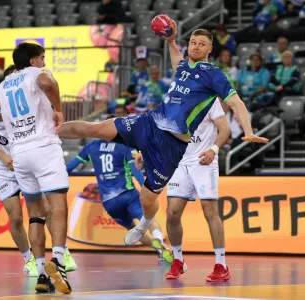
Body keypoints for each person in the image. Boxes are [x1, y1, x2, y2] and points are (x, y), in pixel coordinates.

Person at [58, 20, 269, 250]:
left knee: (147, 200)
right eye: (193, 42)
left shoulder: (214, 75)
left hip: (171, 147)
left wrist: (248, 131)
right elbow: (177, 60)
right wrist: (170, 41)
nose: (196, 47)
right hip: (149, 122)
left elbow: (237, 104)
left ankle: (145, 224)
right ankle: (50, 131)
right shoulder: (184, 67)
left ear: (210, 49)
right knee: (96, 129)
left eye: (202, 44)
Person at [0, 43, 72, 294]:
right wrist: (59, 110)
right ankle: (60, 262)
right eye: (41, 58)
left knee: (35, 214)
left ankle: (41, 273)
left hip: (19, 154)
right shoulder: (37, 73)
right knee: (58, 204)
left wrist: (7, 117)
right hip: (43, 147)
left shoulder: (3, 84)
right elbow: (49, 84)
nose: (44, 61)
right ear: (32, 61)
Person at [65, 115, 173, 262]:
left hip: (109, 203)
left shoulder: (91, 147)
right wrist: (148, 189)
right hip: (128, 195)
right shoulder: (124, 146)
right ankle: (159, 242)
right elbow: (135, 171)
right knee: (147, 221)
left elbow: (70, 167)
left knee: (133, 231)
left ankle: (157, 250)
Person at [162, 99, 231, 281]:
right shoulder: (175, 99)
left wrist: (213, 150)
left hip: (204, 161)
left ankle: (221, 265)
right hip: (180, 162)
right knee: (172, 212)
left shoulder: (209, 100)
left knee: (210, 211)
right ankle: (178, 261)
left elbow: (224, 129)